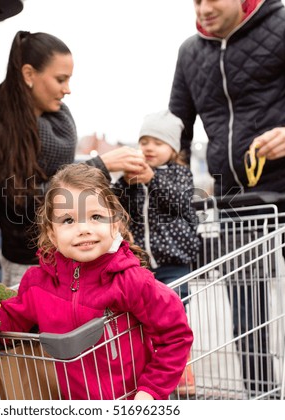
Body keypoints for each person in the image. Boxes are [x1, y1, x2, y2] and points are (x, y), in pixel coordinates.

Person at [168, 0, 285, 399]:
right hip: (236, 205)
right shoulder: (189, 52)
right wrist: (164, 175)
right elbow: (178, 131)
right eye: (195, 0)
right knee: (247, 322)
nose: (202, 8)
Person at [0, 163, 193, 400]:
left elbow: (175, 335)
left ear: (115, 224)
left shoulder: (130, 280)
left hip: (130, 401)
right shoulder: (38, 283)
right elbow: (11, 318)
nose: (83, 229)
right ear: (52, 233)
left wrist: (150, 390)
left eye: (96, 217)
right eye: (68, 221)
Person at [0, 31, 147, 287]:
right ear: (29, 74)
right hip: (30, 265)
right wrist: (101, 166)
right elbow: (23, 202)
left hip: (75, 257)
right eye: (60, 79)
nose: (68, 90)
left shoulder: (57, 121)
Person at [113, 110, 200, 397]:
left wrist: (152, 179)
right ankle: (150, 370)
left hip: (174, 261)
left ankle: (181, 366)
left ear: (173, 149)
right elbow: (115, 204)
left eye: (157, 143)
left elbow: (180, 202)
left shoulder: (179, 175)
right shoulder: (133, 177)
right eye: (144, 141)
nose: (149, 148)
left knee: (174, 317)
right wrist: (125, 183)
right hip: (142, 264)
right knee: (144, 320)